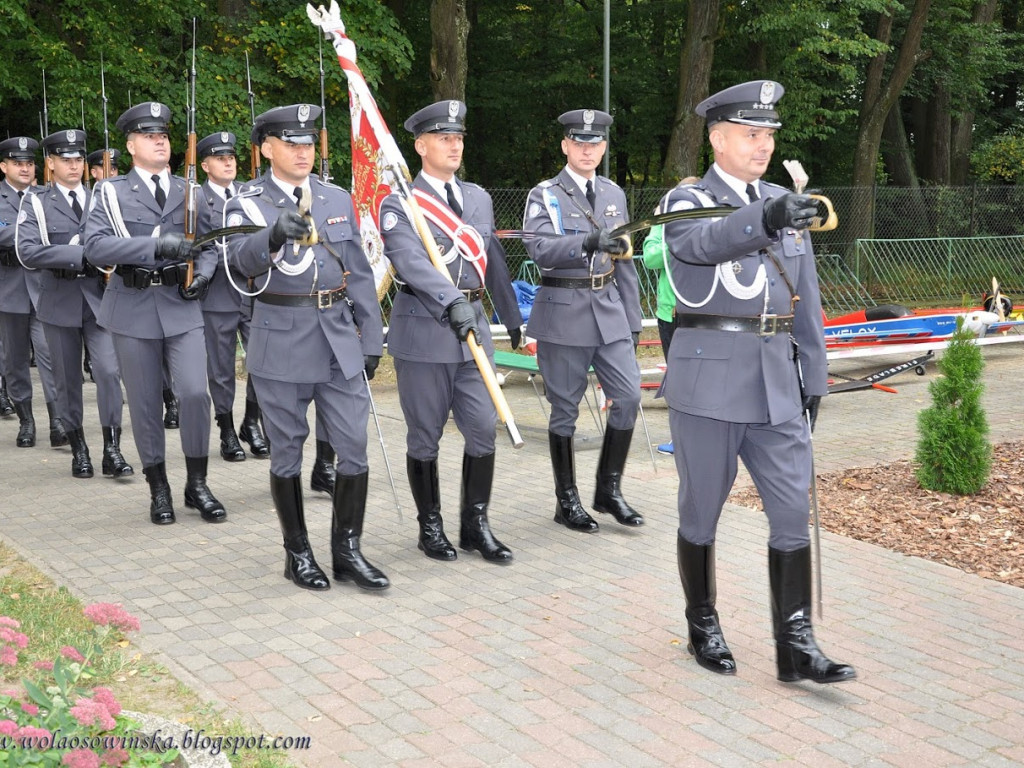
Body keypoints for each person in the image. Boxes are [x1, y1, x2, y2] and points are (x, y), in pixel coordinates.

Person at [661, 80, 855, 683]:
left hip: (776, 382)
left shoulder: (784, 200)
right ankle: (702, 624)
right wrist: (762, 218)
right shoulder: (687, 200)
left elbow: (806, 296)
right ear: (718, 139)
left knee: (792, 510)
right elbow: (701, 246)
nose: (763, 144)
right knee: (701, 510)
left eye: (769, 133)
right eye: (751, 133)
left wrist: (815, 374)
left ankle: (796, 644)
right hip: (709, 383)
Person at [224, 103, 387, 591]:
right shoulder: (246, 201)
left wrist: (372, 336)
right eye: (291, 143)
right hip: (281, 336)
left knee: (353, 445)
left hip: (337, 337)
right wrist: (272, 235)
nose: (302, 151)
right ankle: (297, 554)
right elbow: (238, 262)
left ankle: (348, 552)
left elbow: (358, 270)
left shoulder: (335, 197)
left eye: (308, 143)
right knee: (287, 452)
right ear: (266, 149)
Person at [379, 99, 523, 564]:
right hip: (426, 330)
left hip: (475, 328)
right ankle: (430, 527)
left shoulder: (478, 198)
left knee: (483, 428)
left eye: (458, 138)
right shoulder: (400, 202)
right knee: (425, 435)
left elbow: (490, 257)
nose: (455, 145)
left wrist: (510, 316)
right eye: (444, 138)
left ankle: (475, 525)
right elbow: (410, 262)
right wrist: (451, 301)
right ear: (421, 146)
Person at [83, 101, 226, 526]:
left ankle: (197, 484)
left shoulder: (190, 191)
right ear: (131, 146)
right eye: (149, 136)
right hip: (133, 305)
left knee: (195, 393)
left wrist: (204, 274)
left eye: (163, 135)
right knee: (145, 403)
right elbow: (95, 248)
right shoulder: (110, 192)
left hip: (181, 305)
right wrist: (154, 246)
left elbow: (209, 244)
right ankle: (158, 487)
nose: (160, 141)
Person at [521, 109, 644, 533]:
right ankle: (567, 500)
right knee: (565, 410)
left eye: (595, 143)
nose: (587, 150)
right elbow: (539, 248)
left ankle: (608, 489)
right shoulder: (546, 194)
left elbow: (624, 259)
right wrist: (586, 242)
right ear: (565, 146)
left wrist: (633, 318)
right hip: (564, 310)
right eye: (579, 142)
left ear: (604, 147)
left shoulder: (613, 194)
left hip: (609, 309)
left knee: (628, 397)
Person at [16, 129, 133, 479]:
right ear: (50, 163)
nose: (74, 165)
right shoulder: (37, 202)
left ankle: (112, 448)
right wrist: (78, 254)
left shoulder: (102, 197)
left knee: (109, 372)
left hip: (99, 299)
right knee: (68, 381)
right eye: (65, 159)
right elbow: (27, 251)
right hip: (59, 299)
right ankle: (79, 449)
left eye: (79, 159)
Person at [195, 130, 270, 462]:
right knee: (221, 368)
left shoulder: (251, 194)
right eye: (220, 158)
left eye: (231, 158)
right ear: (205, 165)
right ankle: (226, 429)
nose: (228, 163)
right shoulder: (197, 200)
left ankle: (251, 422)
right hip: (218, 292)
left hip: (255, 291)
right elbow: (199, 246)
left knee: (263, 360)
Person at [0, 136, 67, 449]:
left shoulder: (46, 196)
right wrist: (31, 234)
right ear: (4, 167)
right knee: (14, 360)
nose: (25, 168)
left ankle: (57, 420)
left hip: (43, 286)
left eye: (29, 163)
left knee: (49, 354)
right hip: (8, 288)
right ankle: (26, 420)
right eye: (18, 163)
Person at [641, 175, 700, 456]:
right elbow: (650, 259)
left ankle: (710, 437)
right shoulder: (663, 224)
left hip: (706, 313)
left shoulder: (711, 223)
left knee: (706, 376)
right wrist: (677, 241)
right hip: (672, 314)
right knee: (678, 377)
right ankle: (682, 438)